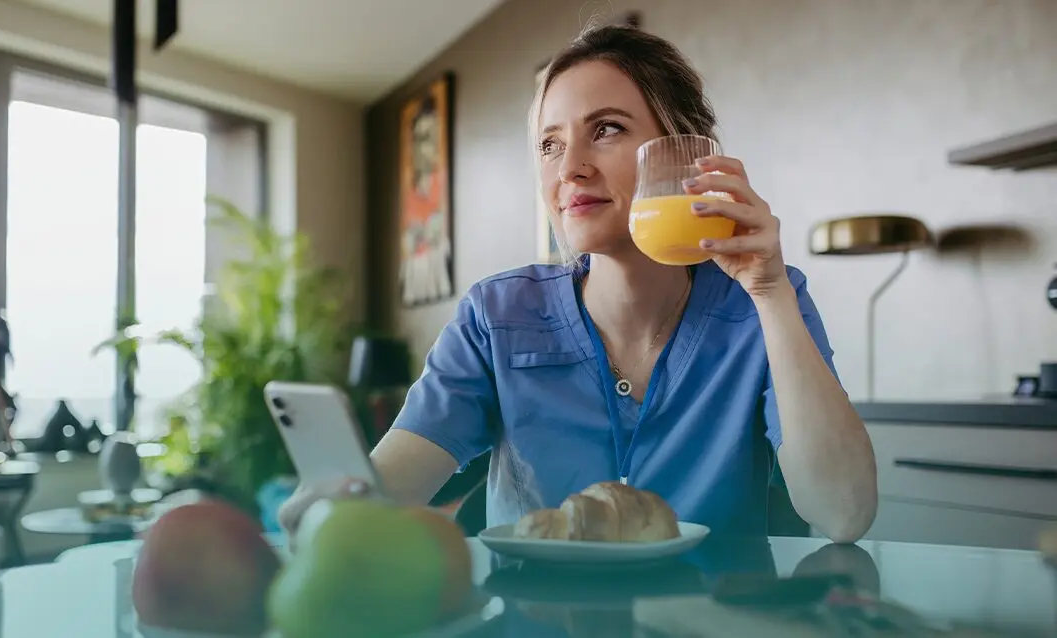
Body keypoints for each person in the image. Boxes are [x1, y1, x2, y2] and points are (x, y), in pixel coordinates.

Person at [281, 25, 877, 543]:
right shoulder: (497, 314)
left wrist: (770, 295)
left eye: (607, 129)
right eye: (550, 144)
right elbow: (390, 484)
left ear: (681, 152)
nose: (569, 169)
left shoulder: (765, 300)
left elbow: (845, 514)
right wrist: (337, 503)